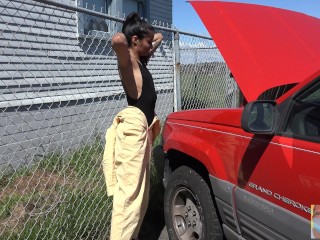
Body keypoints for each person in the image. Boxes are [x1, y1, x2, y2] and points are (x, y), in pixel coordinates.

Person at [102, 12, 163, 240]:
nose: (151, 46)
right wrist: (128, 35)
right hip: (132, 136)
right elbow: (117, 40)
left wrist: (143, 33)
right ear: (135, 41)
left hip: (141, 136)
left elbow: (160, 36)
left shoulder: (141, 60)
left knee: (139, 197)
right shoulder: (129, 64)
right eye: (146, 43)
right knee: (128, 199)